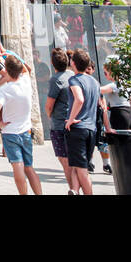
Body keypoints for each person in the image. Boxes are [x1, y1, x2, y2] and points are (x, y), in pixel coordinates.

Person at [0, 54, 41, 194]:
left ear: (7, 71)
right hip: (26, 130)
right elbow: (26, 69)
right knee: (29, 167)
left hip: (10, 131)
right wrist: (10, 54)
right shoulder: (26, 82)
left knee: (17, 166)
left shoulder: (5, 90)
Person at [64, 48, 100, 195]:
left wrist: (70, 120)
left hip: (78, 128)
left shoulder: (74, 79)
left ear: (73, 63)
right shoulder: (95, 82)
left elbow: (79, 99)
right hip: (91, 129)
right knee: (77, 165)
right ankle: (74, 190)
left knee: (82, 169)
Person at [100, 57, 131, 176]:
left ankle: (124, 170)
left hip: (119, 114)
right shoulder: (126, 84)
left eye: (106, 73)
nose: (105, 76)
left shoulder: (113, 85)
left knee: (120, 144)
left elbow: (98, 90)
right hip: (129, 114)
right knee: (128, 142)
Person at [43, 47, 76, 192]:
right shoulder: (72, 75)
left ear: (52, 63)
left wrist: (49, 116)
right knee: (73, 160)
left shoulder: (56, 79)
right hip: (74, 121)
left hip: (59, 123)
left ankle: (73, 189)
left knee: (64, 160)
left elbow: (49, 105)